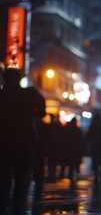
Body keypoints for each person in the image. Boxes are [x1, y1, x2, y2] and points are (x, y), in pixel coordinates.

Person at [0, 68, 46, 214]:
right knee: (21, 179)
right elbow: (42, 112)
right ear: (19, 79)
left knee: (3, 178)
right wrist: (30, 114)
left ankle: (2, 205)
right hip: (24, 142)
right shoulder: (30, 93)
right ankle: (16, 208)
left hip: (3, 142)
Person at [85, 113, 101, 185]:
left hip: (95, 147)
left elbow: (88, 136)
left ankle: (96, 176)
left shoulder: (93, 126)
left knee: (95, 162)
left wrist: (85, 145)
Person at [61, 117, 84, 184]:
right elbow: (80, 140)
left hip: (67, 148)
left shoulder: (66, 129)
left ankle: (62, 174)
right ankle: (70, 175)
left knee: (65, 161)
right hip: (74, 149)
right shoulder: (77, 130)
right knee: (72, 163)